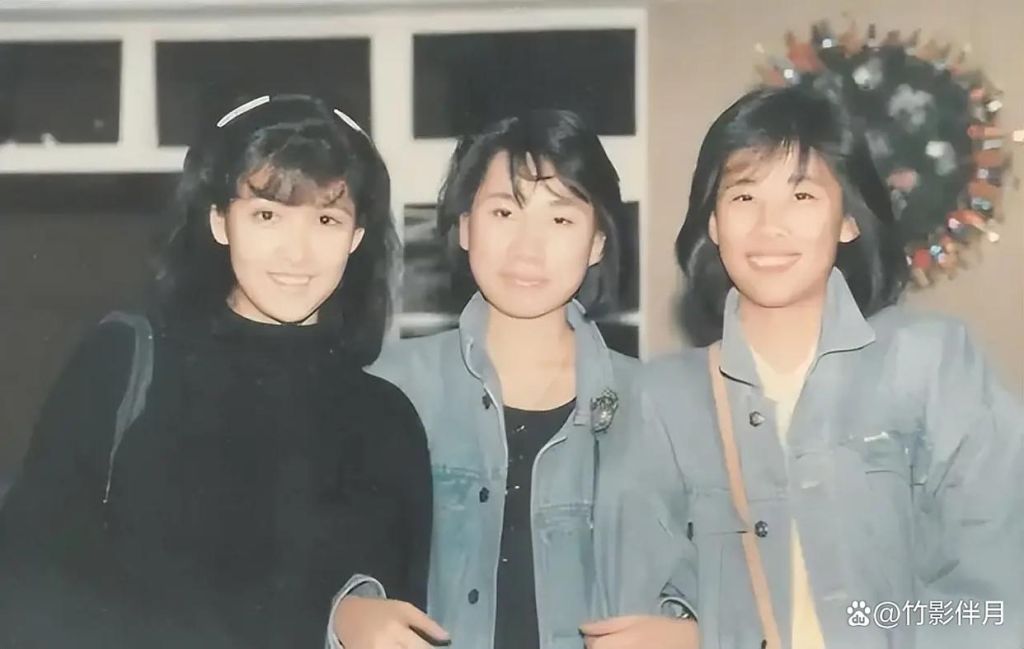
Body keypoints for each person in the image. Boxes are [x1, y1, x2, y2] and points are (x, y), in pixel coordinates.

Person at [0, 94, 432, 649]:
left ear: (357, 236)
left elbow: (397, 610)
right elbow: (30, 580)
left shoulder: (386, 418)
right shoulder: (127, 361)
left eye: (326, 219)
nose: (296, 254)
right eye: (267, 215)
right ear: (220, 221)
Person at [626, 85, 1024, 649]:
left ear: (848, 220)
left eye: (802, 195)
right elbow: (647, 599)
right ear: (713, 223)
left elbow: (999, 594)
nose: (770, 226)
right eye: (744, 197)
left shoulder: (930, 365)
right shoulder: (663, 399)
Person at [330, 109, 698, 649]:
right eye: (504, 212)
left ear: (598, 241)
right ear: (464, 226)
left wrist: (693, 631)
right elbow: (328, 558)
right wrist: (345, 612)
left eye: (560, 220)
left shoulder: (657, 404)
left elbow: (712, 574)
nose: (528, 248)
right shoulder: (389, 388)